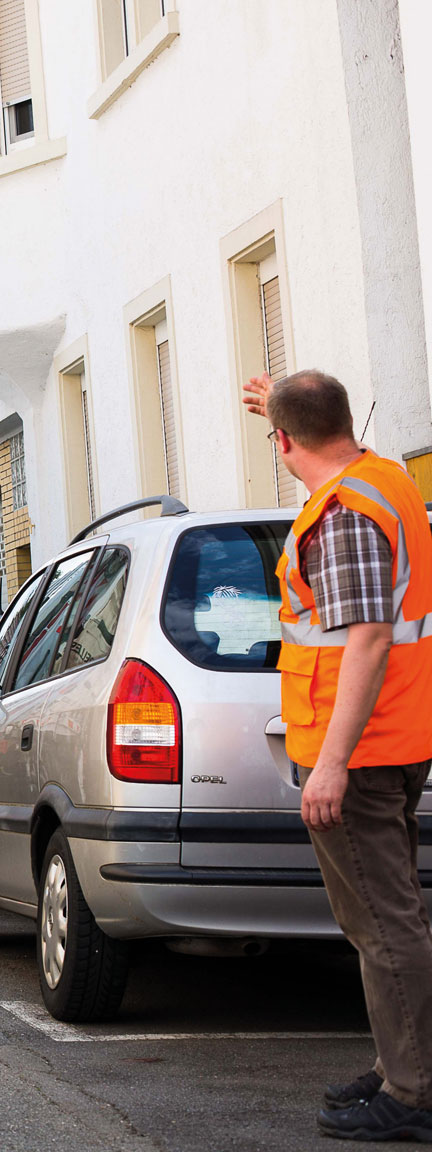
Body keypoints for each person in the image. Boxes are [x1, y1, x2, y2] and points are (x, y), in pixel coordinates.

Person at [244, 369, 432, 1141]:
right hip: (399, 736)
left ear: (282, 443)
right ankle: (404, 1067)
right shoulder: (384, 477)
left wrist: (329, 764)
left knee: (383, 927)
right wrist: (285, 401)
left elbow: (367, 638)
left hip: (359, 752)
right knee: (393, 919)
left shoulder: (343, 513)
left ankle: (414, 1092)